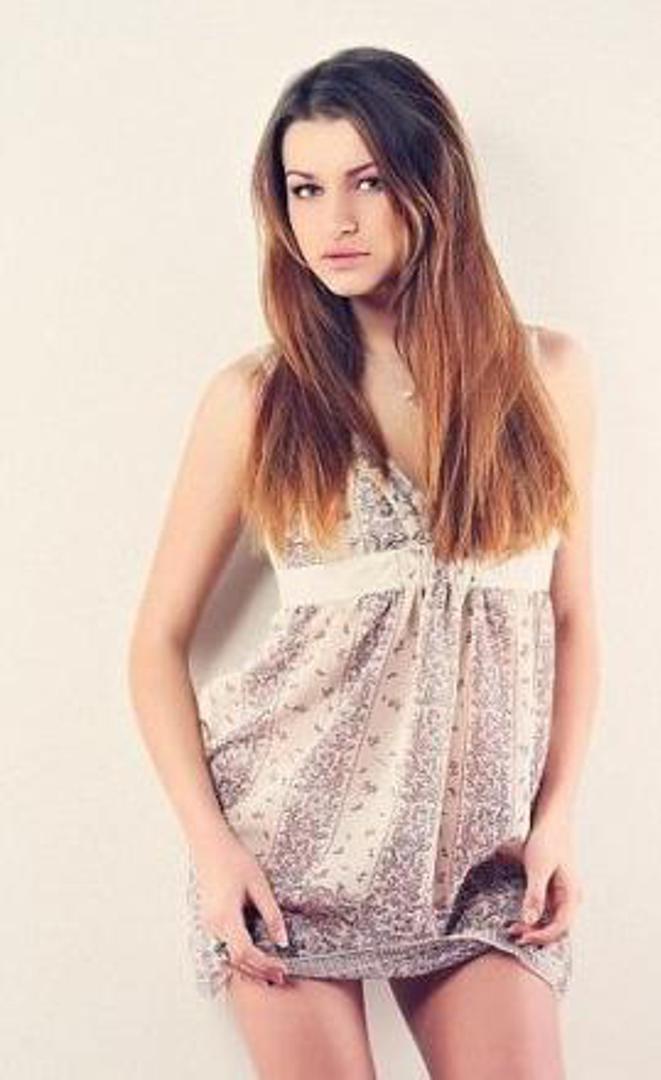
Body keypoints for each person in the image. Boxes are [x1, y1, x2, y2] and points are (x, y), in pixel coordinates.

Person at [128, 45, 599, 1080]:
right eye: (304, 190)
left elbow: (571, 617)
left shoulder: (546, 378)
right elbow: (155, 642)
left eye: (367, 182)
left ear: (431, 185)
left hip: (481, 866)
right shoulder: (258, 400)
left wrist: (558, 816)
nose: (332, 222)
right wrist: (215, 850)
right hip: (286, 856)